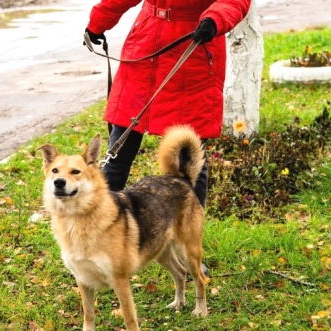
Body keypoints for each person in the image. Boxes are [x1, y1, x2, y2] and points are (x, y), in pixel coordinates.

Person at [84, 0, 251, 208]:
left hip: (193, 50)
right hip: (144, 49)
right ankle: (100, 225)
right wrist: (98, 21)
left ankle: (190, 234)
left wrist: (214, 20)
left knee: (188, 163)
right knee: (118, 154)